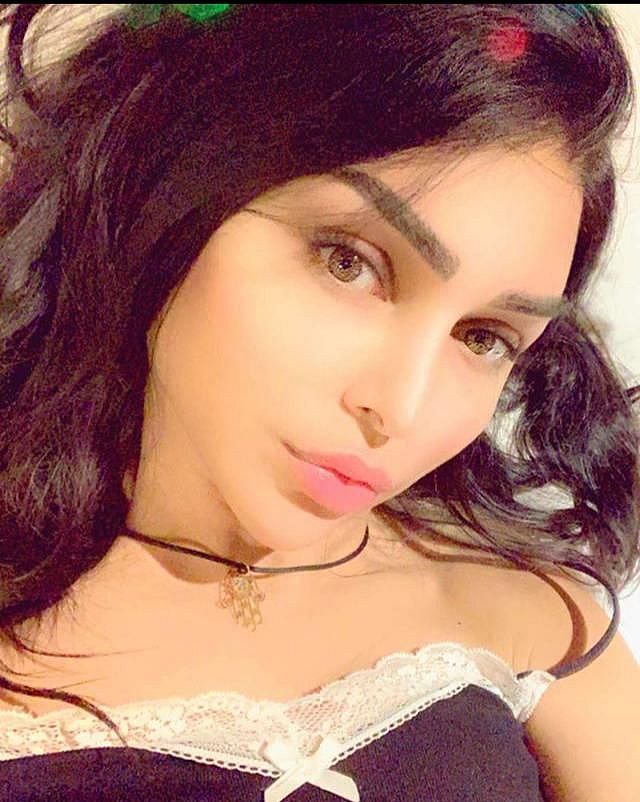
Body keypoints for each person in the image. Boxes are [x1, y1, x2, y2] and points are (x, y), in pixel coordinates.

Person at [0, 3, 638, 800]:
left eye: (483, 337)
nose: (400, 408)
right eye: (349, 264)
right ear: (164, 191)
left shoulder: (539, 625)